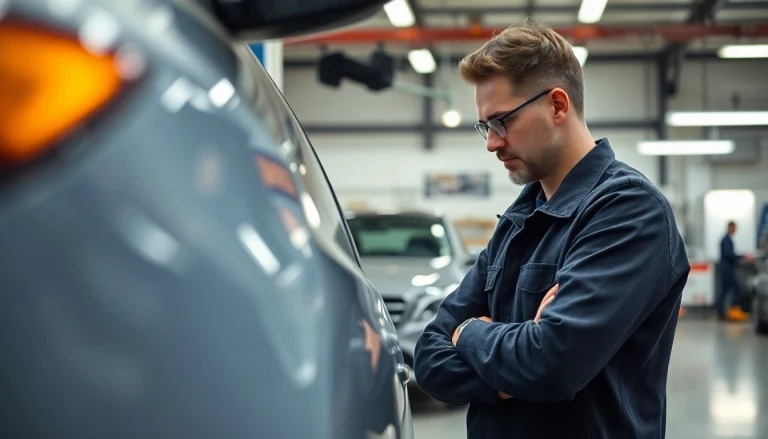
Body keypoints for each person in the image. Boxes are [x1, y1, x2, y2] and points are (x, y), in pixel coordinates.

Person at [413, 19, 691, 439]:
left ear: (558, 105)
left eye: (502, 121)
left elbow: (552, 365)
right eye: (485, 126)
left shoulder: (629, 211)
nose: (491, 142)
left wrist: (470, 331)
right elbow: (430, 359)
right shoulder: (517, 221)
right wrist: (515, 361)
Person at [716, 221, 754, 321]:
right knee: (736, 287)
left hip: (725, 268)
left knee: (724, 291)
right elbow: (729, 254)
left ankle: (721, 313)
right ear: (730, 228)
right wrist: (742, 256)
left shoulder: (726, 239)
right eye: (734, 228)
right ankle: (733, 310)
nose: (735, 230)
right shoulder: (727, 240)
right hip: (727, 269)